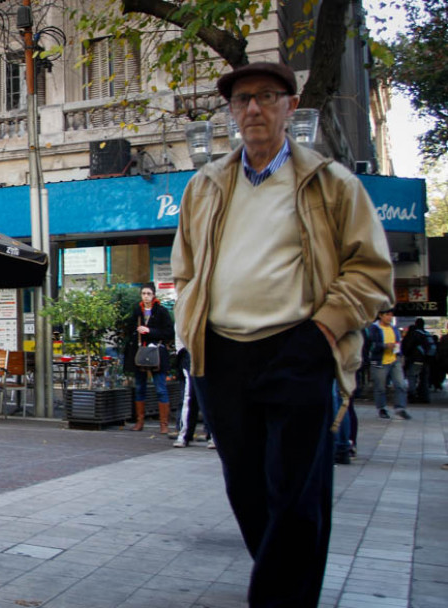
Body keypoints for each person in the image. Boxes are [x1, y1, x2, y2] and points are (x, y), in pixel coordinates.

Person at [171, 62, 394, 607]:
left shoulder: (330, 184)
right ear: (231, 112)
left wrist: (322, 332)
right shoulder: (205, 186)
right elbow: (186, 270)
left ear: (290, 108)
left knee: (296, 494)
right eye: (243, 100)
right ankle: (283, 587)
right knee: (246, 491)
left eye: (267, 97)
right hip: (221, 356)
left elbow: (371, 271)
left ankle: (277, 600)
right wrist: (190, 331)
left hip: (298, 345)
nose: (253, 109)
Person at [127, 283, 173, 433]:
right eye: (143, 293)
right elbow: (128, 329)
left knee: (160, 388)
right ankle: (140, 421)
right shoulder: (136, 311)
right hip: (140, 353)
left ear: (153, 295)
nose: (146, 296)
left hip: (156, 353)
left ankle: (164, 424)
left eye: (148, 293)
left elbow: (168, 333)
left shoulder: (161, 311)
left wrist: (150, 330)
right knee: (140, 387)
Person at [367, 309, 411, 420]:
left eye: (391, 315)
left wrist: (399, 354)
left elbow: (398, 343)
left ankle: (400, 408)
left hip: (394, 360)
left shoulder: (394, 328)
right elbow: (370, 345)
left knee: (400, 384)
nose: (389, 317)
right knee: (380, 387)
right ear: (380, 316)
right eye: (387, 315)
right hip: (379, 361)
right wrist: (385, 346)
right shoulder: (374, 328)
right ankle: (381, 408)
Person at [401, 317, 435, 403]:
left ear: (416, 324)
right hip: (426, 360)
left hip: (416, 359)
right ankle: (424, 397)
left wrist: (406, 355)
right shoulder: (427, 334)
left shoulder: (414, 334)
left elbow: (408, 346)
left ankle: (412, 395)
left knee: (412, 376)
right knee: (424, 379)